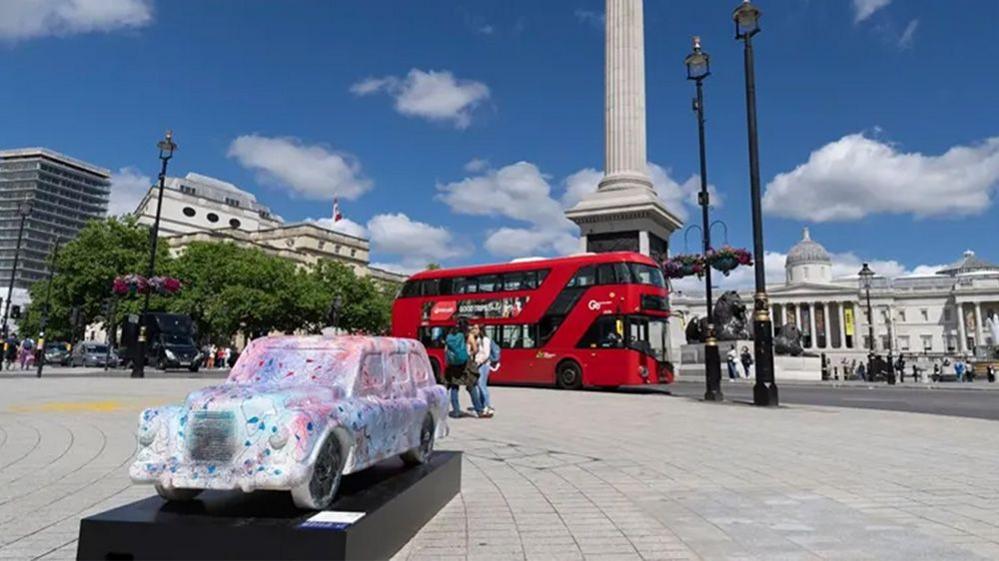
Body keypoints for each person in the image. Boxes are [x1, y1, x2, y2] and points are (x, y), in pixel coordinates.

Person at [443, 321, 482, 418]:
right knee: (471, 386)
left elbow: (446, 350)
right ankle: (479, 410)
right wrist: (469, 354)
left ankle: (456, 411)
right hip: (466, 364)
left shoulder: (450, 336)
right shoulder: (468, 336)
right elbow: (475, 349)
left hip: (454, 365)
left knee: (454, 387)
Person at [474, 325, 496, 418]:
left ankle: (488, 405)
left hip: (484, 365)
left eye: (476, 328)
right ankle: (483, 405)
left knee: (482, 385)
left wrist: (478, 361)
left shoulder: (486, 340)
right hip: (479, 364)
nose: (474, 330)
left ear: (480, 330)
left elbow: (486, 354)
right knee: (480, 385)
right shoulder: (478, 339)